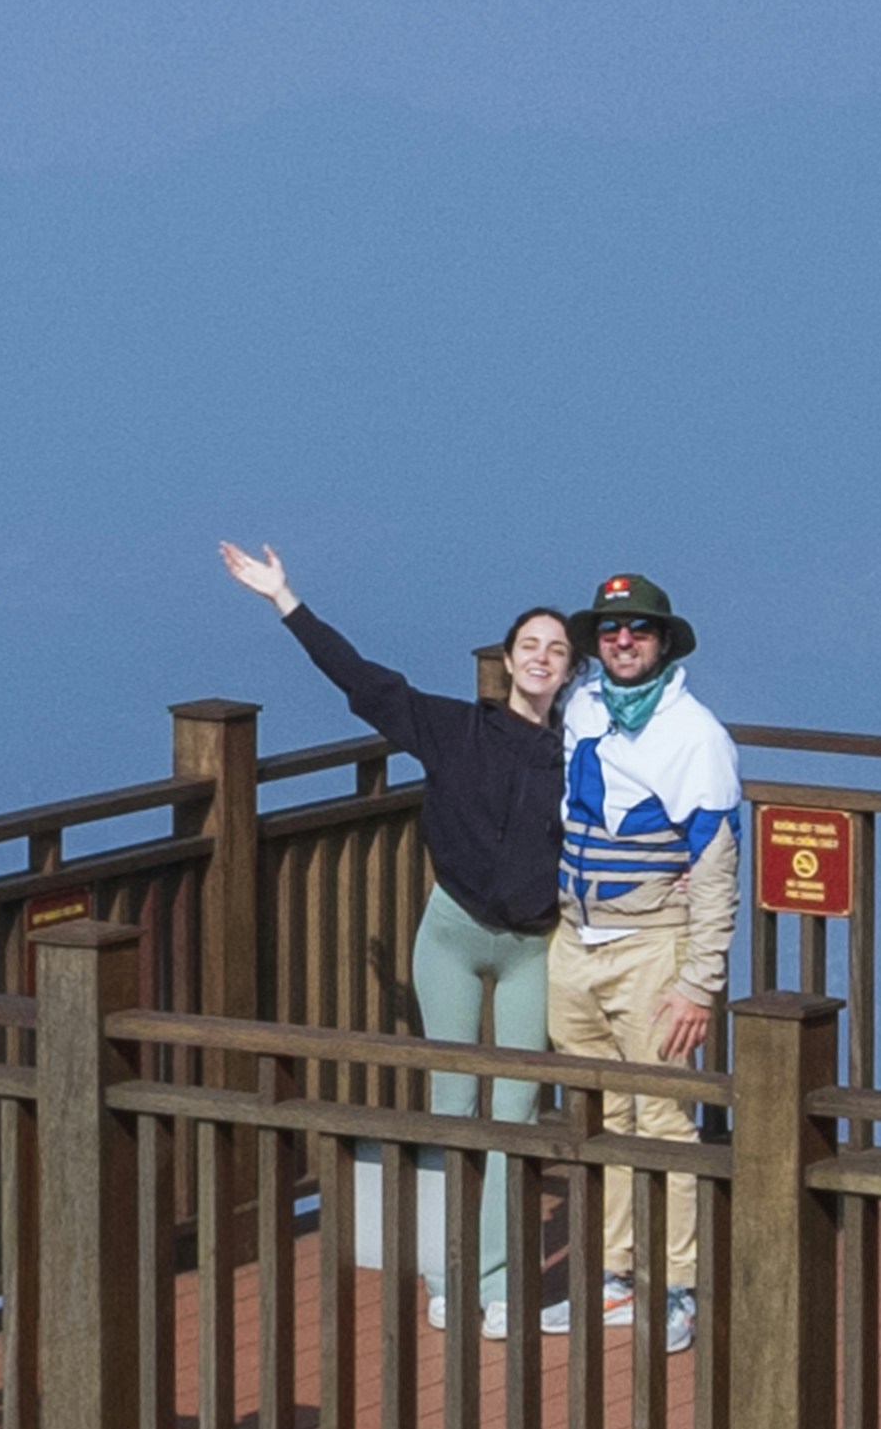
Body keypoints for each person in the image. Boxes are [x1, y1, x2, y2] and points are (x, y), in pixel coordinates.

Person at [224, 548, 582, 1326]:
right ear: (509, 661)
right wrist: (286, 597)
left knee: (513, 1117)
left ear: (568, 671)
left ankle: (495, 1290)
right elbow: (362, 682)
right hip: (450, 935)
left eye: (557, 651)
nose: (542, 659)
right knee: (452, 1108)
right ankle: (454, 1281)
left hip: (531, 948)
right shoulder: (455, 728)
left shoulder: (581, 758)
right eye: (532, 646)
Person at [548, 572, 743, 1336]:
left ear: (664, 643)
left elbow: (718, 860)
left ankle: (681, 1285)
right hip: (575, 939)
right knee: (598, 1111)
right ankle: (617, 1273)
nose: (622, 641)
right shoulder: (582, 702)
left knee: (662, 1115)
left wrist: (700, 982)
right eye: (609, 630)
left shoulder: (696, 734)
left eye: (638, 630)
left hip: (654, 947)